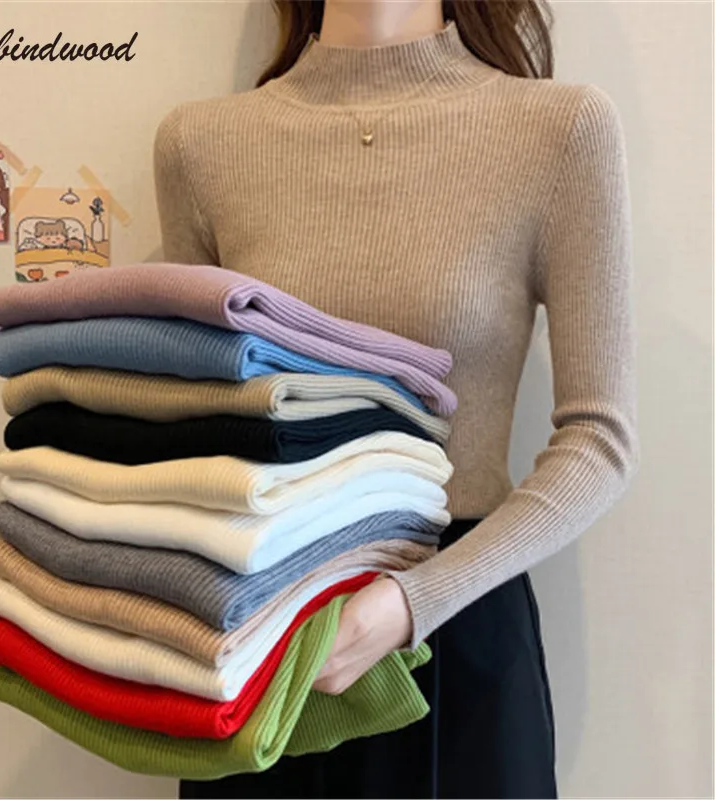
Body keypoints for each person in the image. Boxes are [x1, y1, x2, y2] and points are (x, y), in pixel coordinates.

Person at [153, 1, 639, 797]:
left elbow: (600, 438)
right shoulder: (201, 144)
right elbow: (208, 418)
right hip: (264, 632)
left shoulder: (560, 130)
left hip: (461, 622)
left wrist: (415, 602)